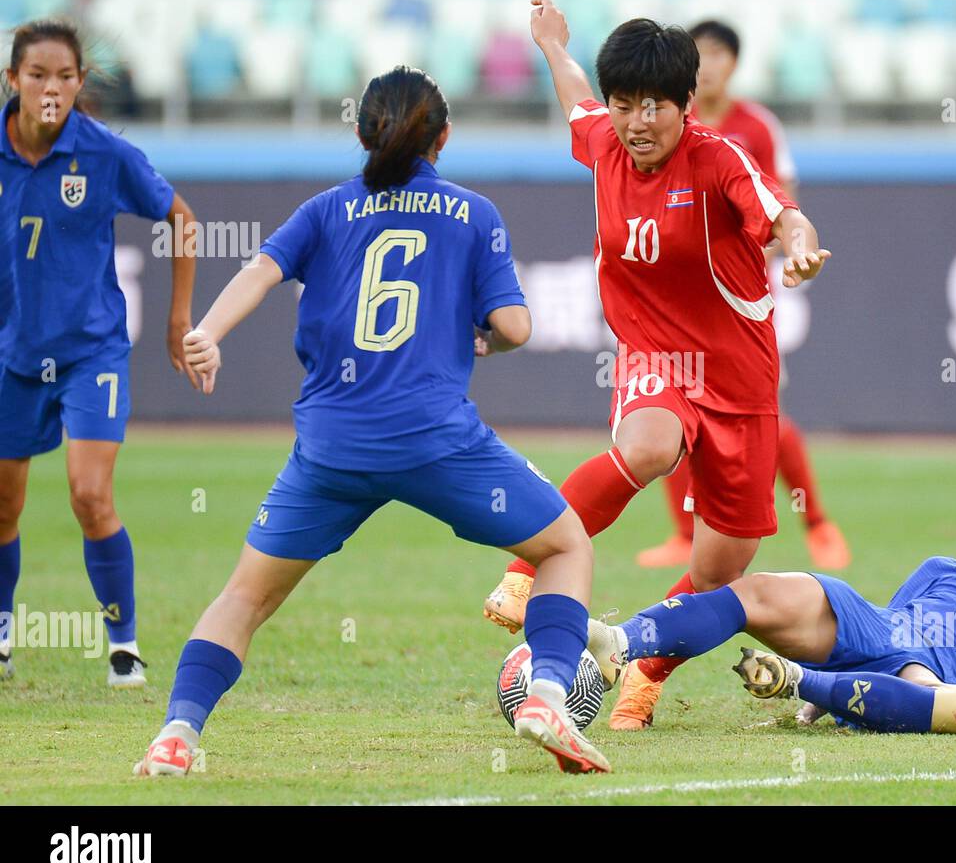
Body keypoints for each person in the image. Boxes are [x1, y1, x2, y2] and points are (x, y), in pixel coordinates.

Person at [134, 66, 610, 776]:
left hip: (332, 447)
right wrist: (487, 334)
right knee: (565, 545)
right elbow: (515, 323)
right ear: (443, 138)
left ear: (362, 132)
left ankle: (176, 733)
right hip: (436, 441)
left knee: (245, 594)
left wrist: (207, 331)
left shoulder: (326, 209)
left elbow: (261, 272)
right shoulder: (474, 213)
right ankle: (546, 692)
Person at [481, 0, 831, 732]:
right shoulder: (604, 139)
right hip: (654, 356)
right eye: (624, 104)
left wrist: (798, 246)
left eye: (654, 107)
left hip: (739, 377)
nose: (637, 122)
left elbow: (781, 213)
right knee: (646, 446)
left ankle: (643, 669)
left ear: (685, 104)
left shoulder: (717, 158)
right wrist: (551, 45)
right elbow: (576, 94)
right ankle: (522, 574)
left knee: (718, 572)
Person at [0, 19, 199, 686]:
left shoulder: (105, 155)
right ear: (12, 81)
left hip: (92, 354)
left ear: (80, 82)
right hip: (12, 354)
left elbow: (182, 217)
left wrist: (178, 319)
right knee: (3, 505)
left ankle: (123, 643)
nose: (50, 88)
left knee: (89, 494)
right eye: (37, 75)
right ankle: (2, 630)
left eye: (63, 76)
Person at [587, 499, 956, 732]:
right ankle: (621, 641)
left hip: (933, 685)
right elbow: (891, 618)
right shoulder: (946, 568)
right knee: (760, 591)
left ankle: (800, 683)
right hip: (879, 630)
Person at [636, 18, 850, 572]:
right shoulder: (661, 124)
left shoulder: (754, 127)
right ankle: (685, 537)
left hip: (741, 300)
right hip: (677, 305)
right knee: (675, 411)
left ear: (734, 63)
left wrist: (778, 257)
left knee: (762, 412)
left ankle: (817, 523)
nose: (708, 66)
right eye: (698, 56)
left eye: (718, 55)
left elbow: (784, 205)